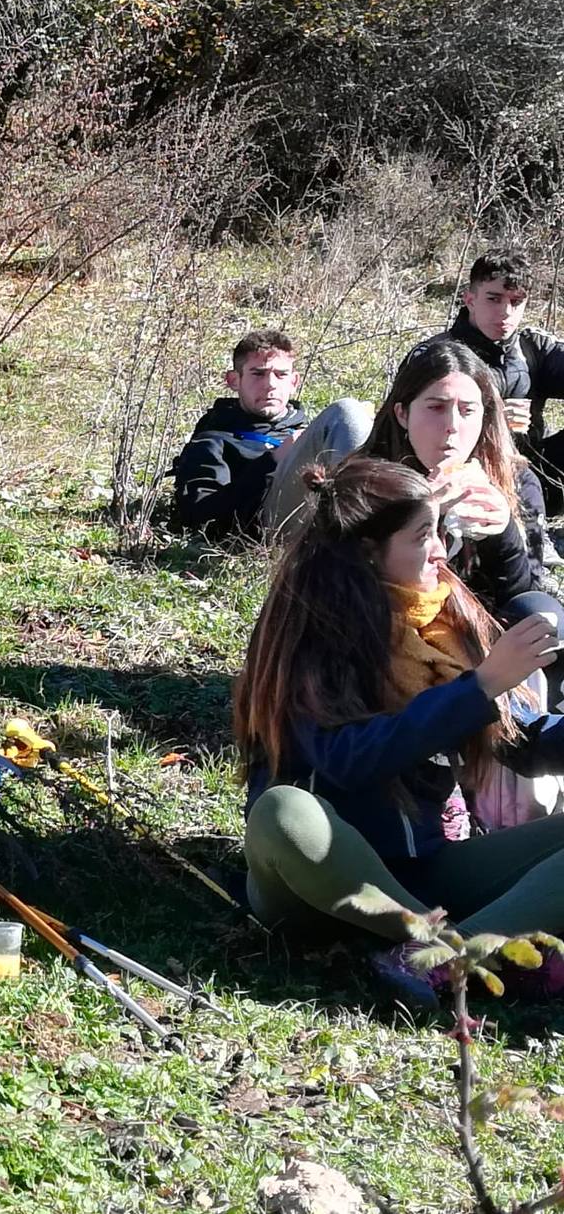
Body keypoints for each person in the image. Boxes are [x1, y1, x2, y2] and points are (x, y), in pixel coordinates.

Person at [234, 455, 564, 1004]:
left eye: (441, 532)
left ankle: (438, 958)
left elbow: (524, 740)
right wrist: (479, 688)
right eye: (423, 537)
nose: (442, 550)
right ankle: (452, 950)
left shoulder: (445, 620)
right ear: (368, 552)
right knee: (282, 811)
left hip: (426, 872)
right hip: (320, 886)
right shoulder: (308, 629)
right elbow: (347, 759)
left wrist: (487, 689)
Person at [359, 339, 558, 625]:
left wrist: (503, 533)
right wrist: (420, 515)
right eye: (436, 407)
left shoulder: (518, 482)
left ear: (485, 416)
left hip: (486, 643)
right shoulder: (365, 479)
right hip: (389, 632)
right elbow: (337, 580)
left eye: (467, 410)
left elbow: (525, 599)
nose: (452, 425)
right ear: (403, 414)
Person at [169, 329, 372, 540]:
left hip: (325, 516)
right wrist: (273, 459)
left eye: (281, 375)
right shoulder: (214, 439)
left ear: (294, 382)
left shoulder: (311, 429)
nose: (270, 384)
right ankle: (366, 537)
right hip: (268, 524)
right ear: (234, 380)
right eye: (258, 374)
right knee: (346, 411)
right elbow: (197, 516)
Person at [440, 251, 564, 515]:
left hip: (538, 477)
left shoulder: (533, 346)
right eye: (494, 299)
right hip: (468, 482)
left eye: (516, 301)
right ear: (470, 300)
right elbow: (410, 431)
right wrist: (489, 420)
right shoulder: (439, 357)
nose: (505, 312)